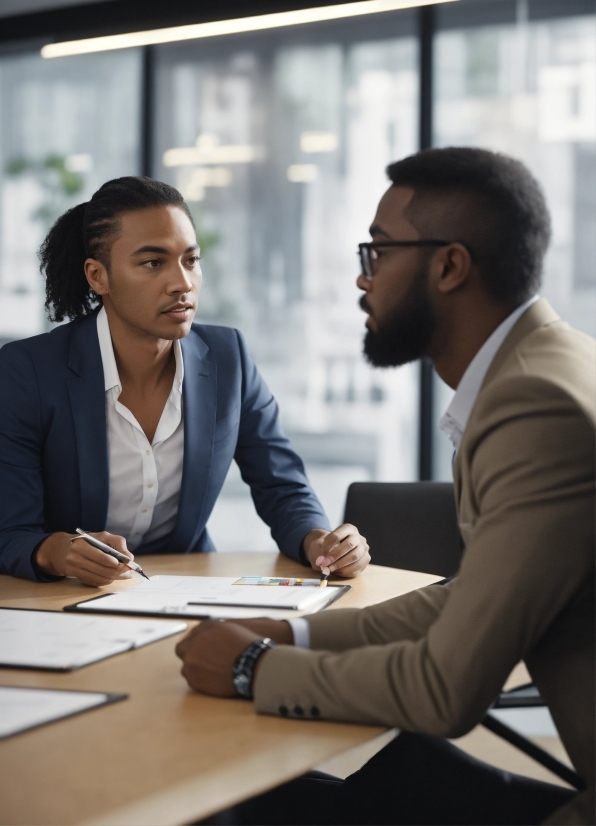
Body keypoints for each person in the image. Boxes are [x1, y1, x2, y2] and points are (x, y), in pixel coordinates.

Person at [175, 148, 595, 825]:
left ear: (450, 266)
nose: (360, 280)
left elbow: (443, 689)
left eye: (378, 254)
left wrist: (253, 667)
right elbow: (467, 602)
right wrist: (290, 634)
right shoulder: (555, 361)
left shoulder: (533, 403)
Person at [0, 176, 370, 585]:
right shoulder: (28, 371)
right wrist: (58, 552)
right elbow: (11, 531)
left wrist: (319, 541)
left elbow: (282, 486)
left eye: (190, 260)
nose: (183, 283)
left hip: (188, 590)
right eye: (153, 263)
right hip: (59, 599)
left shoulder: (229, 358)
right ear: (98, 276)